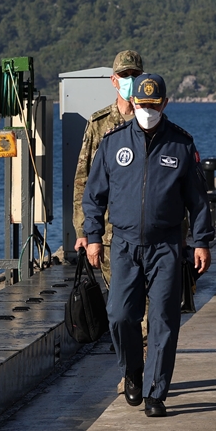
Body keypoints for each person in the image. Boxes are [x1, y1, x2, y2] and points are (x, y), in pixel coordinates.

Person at [83, 73, 213, 418]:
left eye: (153, 105)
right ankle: (132, 371)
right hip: (124, 244)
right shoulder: (113, 143)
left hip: (166, 245)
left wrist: (201, 242)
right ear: (134, 104)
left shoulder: (181, 144)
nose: (147, 111)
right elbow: (93, 196)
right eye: (141, 105)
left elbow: (198, 201)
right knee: (120, 315)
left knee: (163, 321)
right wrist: (93, 237)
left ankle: (156, 393)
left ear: (165, 104)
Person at [73, 50, 144, 284]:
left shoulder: (151, 120)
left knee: (148, 308)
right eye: (125, 75)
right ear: (114, 80)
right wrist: (83, 231)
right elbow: (83, 180)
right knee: (120, 306)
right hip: (108, 234)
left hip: (147, 232)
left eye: (135, 74)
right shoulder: (99, 124)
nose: (130, 80)